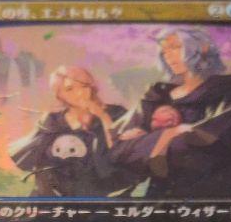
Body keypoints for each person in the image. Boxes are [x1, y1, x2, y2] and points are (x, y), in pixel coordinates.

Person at [114, 26, 231, 198]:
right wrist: (170, 134)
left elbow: (208, 143)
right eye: (164, 51)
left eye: (175, 47)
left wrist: (151, 143)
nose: (168, 55)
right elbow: (119, 150)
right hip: (159, 200)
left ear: (203, 48)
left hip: (216, 196)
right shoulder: (157, 96)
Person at [10, 66, 137, 196]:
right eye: (69, 89)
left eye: (84, 86)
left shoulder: (116, 113)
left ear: (92, 87)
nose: (80, 93)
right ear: (59, 95)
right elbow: (32, 160)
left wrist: (103, 116)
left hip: (102, 194)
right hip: (56, 195)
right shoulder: (53, 121)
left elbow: (123, 153)